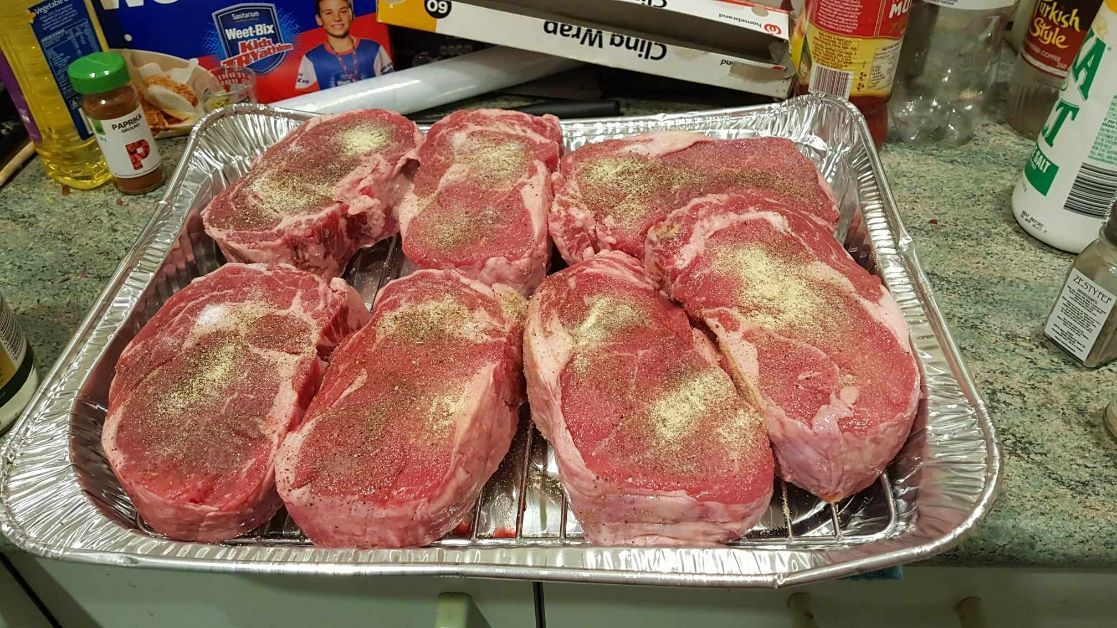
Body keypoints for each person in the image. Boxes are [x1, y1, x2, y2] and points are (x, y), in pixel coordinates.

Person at [296, 0, 392, 90]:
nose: (337, 18)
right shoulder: (311, 58)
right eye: (328, 13)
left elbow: (391, 87)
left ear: (352, 15)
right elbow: (308, 101)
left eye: (343, 11)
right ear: (319, 19)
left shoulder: (373, 48)